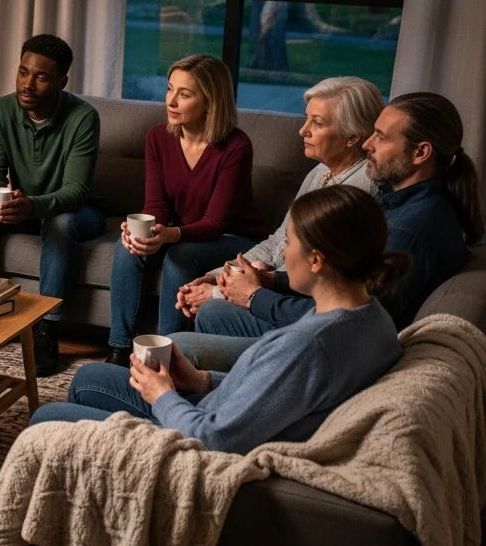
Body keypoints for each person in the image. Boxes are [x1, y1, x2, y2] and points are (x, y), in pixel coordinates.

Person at [0, 184, 408, 546]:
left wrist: (164, 395)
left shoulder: (314, 343)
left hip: (199, 447)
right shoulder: (369, 318)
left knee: (45, 422)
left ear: (318, 260)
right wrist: (200, 379)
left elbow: (216, 437)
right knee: (87, 378)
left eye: (291, 242)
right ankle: (43, 526)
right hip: (213, 407)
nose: (283, 252)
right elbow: (280, 395)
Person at [175, 91, 480, 368]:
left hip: (337, 352)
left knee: (181, 343)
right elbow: (339, 281)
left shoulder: (407, 232)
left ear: (421, 153)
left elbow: (342, 320)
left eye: (381, 137)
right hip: (331, 327)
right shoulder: (404, 202)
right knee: (214, 311)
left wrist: (255, 297)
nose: (367, 144)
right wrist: (266, 280)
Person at [170, 77, 383, 367]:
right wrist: (218, 275)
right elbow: (277, 242)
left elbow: (311, 274)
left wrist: (225, 290)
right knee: (206, 304)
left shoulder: (358, 192)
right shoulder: (320, 172)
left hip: (295, 308)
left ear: (352, 137)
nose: (302, 130)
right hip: (272, 288)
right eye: (306, 119)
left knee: (208, 310)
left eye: (317, 124)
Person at [0, 34, 103, 376]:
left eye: (41, 77)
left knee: (61, 222)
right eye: (23, 72)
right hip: (25, 208)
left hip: (78, 212)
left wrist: (31, 206)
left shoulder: (83, 118)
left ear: (61, 81)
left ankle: (48, 330)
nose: (28, 84)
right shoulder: (2, 110)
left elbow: (75, 192)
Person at [105, 55, 265, 366]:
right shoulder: (157, 137)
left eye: (185, 94)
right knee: (126, 249)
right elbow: (156, 206)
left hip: (236, 237)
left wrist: (170, 236)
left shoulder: (236, 146)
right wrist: (145, 233)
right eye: (169, 89)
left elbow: (216, 223)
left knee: (182, 256)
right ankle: (118, 347)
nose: (172, 101)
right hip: (183, 232)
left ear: (210, 102)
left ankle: (167, 355)